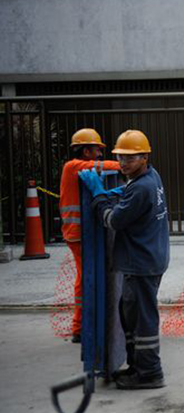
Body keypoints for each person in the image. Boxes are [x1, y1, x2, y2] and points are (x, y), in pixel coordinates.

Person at [79, 129, 169, 390]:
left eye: (130, 158)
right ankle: (137, 366)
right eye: (120, 157)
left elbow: (113, 221)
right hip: (147, 258)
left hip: (142, 261)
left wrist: (98, 196)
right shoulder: (151, 176)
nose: (123, 163)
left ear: (144, 157)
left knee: (142, 318)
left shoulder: (142, 187)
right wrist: (120, 192)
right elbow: (133, 196)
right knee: (129, 312)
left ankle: (151, 372)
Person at [59, 128, 122, 343]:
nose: (99, 154)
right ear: (86, 151)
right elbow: (108, 166)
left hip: (81, 234)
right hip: (77, 234)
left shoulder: (77, 168)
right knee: (85, 279)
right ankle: (79, 327)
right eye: (97, 150)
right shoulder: (73, 167)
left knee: (86, 277)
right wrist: (130, 164)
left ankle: (84, 324)